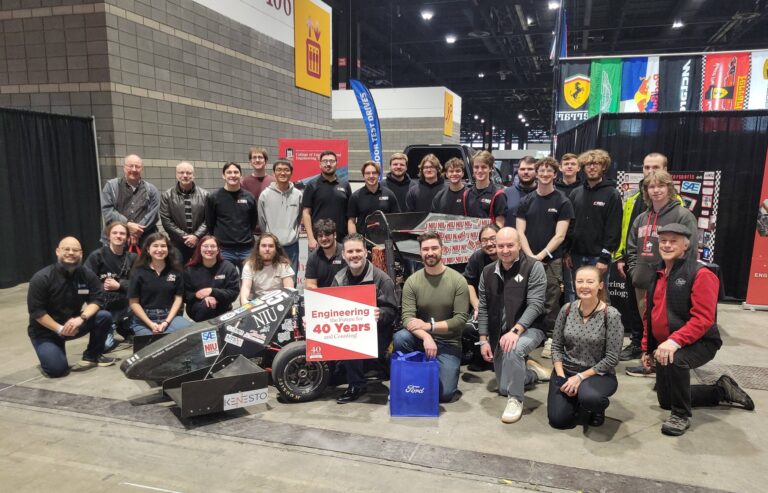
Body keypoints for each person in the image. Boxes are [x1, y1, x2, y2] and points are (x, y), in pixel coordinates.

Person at [641, 223, 754, 437]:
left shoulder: (701, 274)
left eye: (673, 241)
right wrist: (648, 348)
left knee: (677, 360)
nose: (666, 245)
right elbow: (650, 314)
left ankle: (681, 415)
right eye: (663, 240)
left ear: (686, 245)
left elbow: (703, 319)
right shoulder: (657, 273)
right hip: (667, 344)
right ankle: (721, 390)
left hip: (701, 342)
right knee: (666, 400)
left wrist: (674, 342)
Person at [626, 169, 696, 375]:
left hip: (671, 282)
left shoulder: (683, 215)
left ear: (669, 188)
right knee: (649, 324)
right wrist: (634, 269)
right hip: (643, 280)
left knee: (669, 323)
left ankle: (670, 366)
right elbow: (631, 247)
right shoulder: (641, 218)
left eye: (660, 186)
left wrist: (679, 277)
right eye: (651, 186)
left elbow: (690, 250)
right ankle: (653, 362)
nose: (656, 190)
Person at [477, 227, 550, 423]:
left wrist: (515, 331)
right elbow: (483, 307)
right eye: (501, 246)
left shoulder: (533, 267)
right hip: (499, 334)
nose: (505, 250)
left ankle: (516, 399)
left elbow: (536, 305)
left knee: (514, 348)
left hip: (530, 328)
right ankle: (532, 373)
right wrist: (483, 340)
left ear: (519, 245)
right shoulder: (487, 272)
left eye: (510, 245)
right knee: (502, 387)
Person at [394, 232, 469, 403]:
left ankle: (431, 374)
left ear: (442, 250)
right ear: (420, 252)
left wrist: (429, 327)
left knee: (445, 394)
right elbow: (407, 318)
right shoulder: (413, 282)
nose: (430, 252)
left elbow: (460, 321)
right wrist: (427, 336)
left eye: (434, 248)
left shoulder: (458, 281)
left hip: (449, 342)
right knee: (400, 337)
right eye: (425, 249)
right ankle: (414, 375)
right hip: (421, 339)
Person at [27, 237, 116, 377]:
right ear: (58, 251)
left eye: (75, 250)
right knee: (57, 370)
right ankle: (54, 350)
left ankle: (92, 356)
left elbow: (98, 299)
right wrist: (60, 329)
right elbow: (37, 312)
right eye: (66, 249)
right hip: (46, 332)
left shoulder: (86, 274)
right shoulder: (41, 278)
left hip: (73, 325)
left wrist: (81, 318)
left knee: (103, 316)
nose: (71, 253)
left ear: (81, 254)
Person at [547, 265, 623, 429]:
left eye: (590, 281)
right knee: (559, 421)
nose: (584, 286)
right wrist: (561, 378)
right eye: (580, 281)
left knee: (591, 398)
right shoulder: (566, 309)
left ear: (600, 285)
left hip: (596, 375)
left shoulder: (611, 315)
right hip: (566, 371)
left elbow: (612, 358)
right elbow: (556, 347)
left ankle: (595, 408)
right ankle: (575, 398)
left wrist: (580, 378)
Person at [616, 153, 673, 362]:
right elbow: (627, 231)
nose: (650, 171)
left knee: (659, 313)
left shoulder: (676, 205)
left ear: (666, 169)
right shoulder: (632, 199)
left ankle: (657, 350)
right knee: (635, 307)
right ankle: (638, 343)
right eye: (647, 167)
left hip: (662, 270)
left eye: (655, 167)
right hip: (638, 266)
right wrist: (624, 258)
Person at [516, 157, 574, 357]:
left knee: (551, 301)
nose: (545, 174)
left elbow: (560, 235)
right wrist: (530, 256)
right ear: (536, 173)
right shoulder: (526, 201)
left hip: (552, 261)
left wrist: (541, 255)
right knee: (526, 297)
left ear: (555, 174)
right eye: (541, 170)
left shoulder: (563, 201)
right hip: (526, 260)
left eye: (549, 171)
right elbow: (520, 232)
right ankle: (529, 332)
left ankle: (551, 338)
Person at [333, 234, 399, 403]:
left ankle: (357, 386)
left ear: (366, 252)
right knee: (332, 378)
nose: (354, 255)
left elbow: (393, 312)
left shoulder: (382, 279)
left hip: (377, 334)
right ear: (343, 255)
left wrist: (380, 314)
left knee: (352, 345)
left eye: (358, 250)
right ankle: (362, 370)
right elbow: (331, 309)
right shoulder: (339, 279)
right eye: (350, 251)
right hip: (349, 331)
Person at [566, 149, 622, 288]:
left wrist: (604, 258)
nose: (592, 167)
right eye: (588, 164)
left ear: (604, 167)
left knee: (600, 295)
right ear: (583, 168)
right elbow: (570, 225)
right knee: (574, 294)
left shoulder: (612, 194)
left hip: (599, 257)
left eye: (596, 163)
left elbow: (613, 229)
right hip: (575, 256)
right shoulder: (575, 193)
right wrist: (567, 252)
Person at [84, 221, 138, 350]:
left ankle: (124, 327)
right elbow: (85, 283)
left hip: (126, 307)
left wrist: (119, 285)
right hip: (105, 308)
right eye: (115, 233)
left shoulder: (133, 258)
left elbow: (140, 285)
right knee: (105, 346)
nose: (118, 236)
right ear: (108, 236)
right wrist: (101, 287)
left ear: (127, 238)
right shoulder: (96, 256)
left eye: (122, 233)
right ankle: (111, 325)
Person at [128, 233, 191, 336]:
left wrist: (166, 322)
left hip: (170, 317)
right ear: (148, 249)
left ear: (168, 249)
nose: (160, 249)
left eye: (163, 246)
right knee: (151, 346)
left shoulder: (175, 271)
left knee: (189, 333)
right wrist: (151, 324)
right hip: (144, 320)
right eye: (155, 246)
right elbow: (133, 302)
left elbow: (178, 299)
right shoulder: (138, 272)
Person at [205, 162, 257, 269]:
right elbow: (210, 223)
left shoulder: (249, 197)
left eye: (236, 172)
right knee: (226, 283)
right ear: (223, 176)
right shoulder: (214, 197)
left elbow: (253, 222)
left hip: (246, 249)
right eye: (229, 172)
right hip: (224, 250)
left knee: (248, 282)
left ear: (240, 175)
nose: (232, 175)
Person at [101, 154, 160, 248]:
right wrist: (127, 225)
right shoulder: (111, 186)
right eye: (130, 166)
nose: (134, 169)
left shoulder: (152, 189)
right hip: (117, 239)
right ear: (124, 167)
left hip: (144, 241)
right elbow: (108, 211)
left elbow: (153, 214)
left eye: (137, 166)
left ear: (142, 169)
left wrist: (136, 232)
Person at [258, 159, 303, 274]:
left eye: (286, 170)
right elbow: (262, 220)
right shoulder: (265, 195)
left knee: (291, 280)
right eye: (279, 170)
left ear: (291, 173)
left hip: (291, 245)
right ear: (273, 173)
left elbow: (299, 218)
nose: (283, 173)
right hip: (272, 246)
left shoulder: (298, 195)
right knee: (272, 280)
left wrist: (292, 233)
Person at [159, 161, 209, 263]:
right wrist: (185, 237)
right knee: (177, 273)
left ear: (193, 175)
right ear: (176, 175)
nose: (185, 175)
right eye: (181, 173)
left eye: (188, 173)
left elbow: (209, 219)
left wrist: (196, 236)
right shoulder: (167, 196)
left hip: (200, 243)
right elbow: (166, 221)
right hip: (177, 244)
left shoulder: (205, 195)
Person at [302, 151, 352, 249]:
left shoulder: (345, 185)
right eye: (325, 161)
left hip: (341, 240)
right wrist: (311, 238)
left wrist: (351, 238)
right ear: (320, 164)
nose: (328, 164)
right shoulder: (311, 185)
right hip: (319, 240)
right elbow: (306, 213)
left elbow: (350, 215)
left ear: (337, 164)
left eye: (331, 161)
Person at [183, 236, 240, 322]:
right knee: (207, 305)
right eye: (205, 246)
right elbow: (184, 295)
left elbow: (234, 293)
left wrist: (212, 292)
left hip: (223, 308)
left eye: (213, 246)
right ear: (199, 249)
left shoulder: (228, 267)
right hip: (197, 308)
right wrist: (199, 296)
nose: (209, 249)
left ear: (218, 250)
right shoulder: (189, 269)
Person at [347, 161, 400, 235]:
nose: (371, 176)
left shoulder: (389, 194)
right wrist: (355, 241)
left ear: (378, 174)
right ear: (363, 175)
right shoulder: (356, 196)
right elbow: (351, 221)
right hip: (364, 241)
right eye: (367, 173)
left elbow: (396, 218)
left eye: (374, 173)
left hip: (385, 241)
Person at [240, 233, 295, 303]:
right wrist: (245, 303)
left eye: (271, 246)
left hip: (279, 302)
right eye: (263, 246)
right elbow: (246, 287)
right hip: (257, 302)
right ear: (258, 248)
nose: (267, 249)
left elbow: (289, 290)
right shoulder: (249, 265)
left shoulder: (283, 265)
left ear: (276, 249)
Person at [464, 150, 506, 227]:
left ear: (490, 168)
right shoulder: (467, 194)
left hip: (489, 238)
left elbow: (500, 224)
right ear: (472, 169)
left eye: (484, 167)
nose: (479, 170)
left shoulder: (498, 195)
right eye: (476, 167)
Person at [304, 219, 346, 289]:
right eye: (320, 236)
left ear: (334, 235)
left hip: (343, 294)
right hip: (321, 297)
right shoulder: (313, 257)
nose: (323, 238)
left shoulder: (345, 252)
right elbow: (310, 284)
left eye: (327, 234)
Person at [241, 146, 274, 229]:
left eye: (260, 157)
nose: (257, 160)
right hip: (251, 229)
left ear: (266, 161)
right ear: (250, 162)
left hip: (270, 228)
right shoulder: (243, 182)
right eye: (254, 157)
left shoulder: (274, 182)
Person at [503, 155, 537, 227]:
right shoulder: (506, 193)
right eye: (522, 169)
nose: (526, 172)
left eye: (530, 169)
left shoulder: (543, 194)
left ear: (536, 172)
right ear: (517, 171)